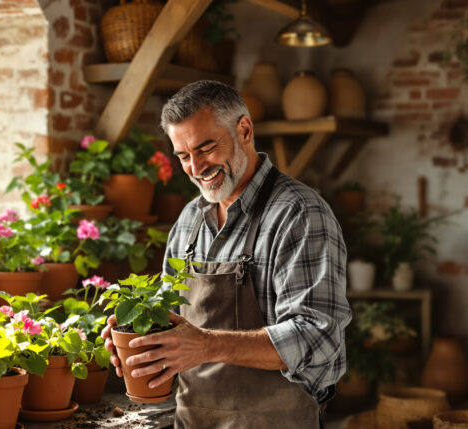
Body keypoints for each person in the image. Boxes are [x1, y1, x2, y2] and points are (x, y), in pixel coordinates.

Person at [101, 80, 352, 428]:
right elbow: (170, 320)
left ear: (244, 130)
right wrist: (142, 343)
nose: (196, 167)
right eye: (184, 156)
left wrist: (207, 345)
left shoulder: (299, 213)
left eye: (206, 148)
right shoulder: (190, 219)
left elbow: (317, 335)